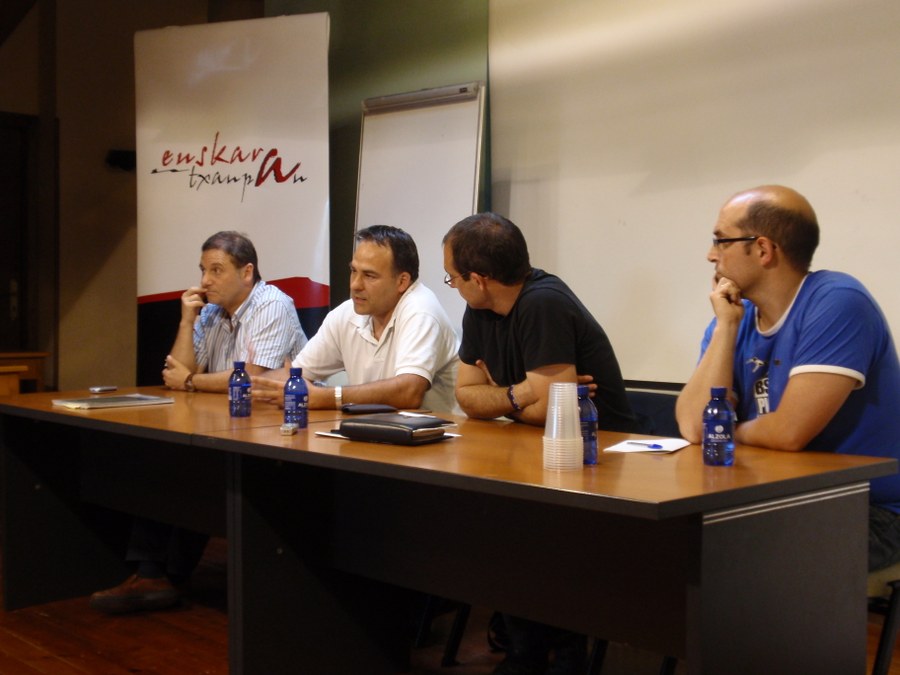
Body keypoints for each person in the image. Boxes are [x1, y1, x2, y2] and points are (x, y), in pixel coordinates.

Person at [442, 212, 636, 675]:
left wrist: (503, 396)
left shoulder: (543, 302)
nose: (453, 286)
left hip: (598, 460)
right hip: (532, 452)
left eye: (453, 278)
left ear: (479, 279)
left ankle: (559, 656)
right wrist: (521, 394)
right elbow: (466, 396)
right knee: (493, 521)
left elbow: (554, 410)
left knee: (533, 534)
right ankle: (526, 651)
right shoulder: (479, 308)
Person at [675, 185, 900, 573]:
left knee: (730, 561)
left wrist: (726, 430)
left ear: (763, 249)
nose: (711, 255)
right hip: (778, 499)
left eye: (721, 241)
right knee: (666, 542)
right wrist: (726, 328)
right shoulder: (732, 318)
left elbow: (789, 432)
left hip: (869, 509)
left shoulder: (838, 301)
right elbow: (696, 426)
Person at [90, 231, 306, 614]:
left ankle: (161, 574)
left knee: (186, 464)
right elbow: (178, 371)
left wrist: (190, 381)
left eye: (216, 270)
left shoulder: (272, 304)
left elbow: (250, 377)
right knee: (165, 452)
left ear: (247, 272)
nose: (205, 281)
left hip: (279, 433)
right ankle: (158, 574)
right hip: (229, 424)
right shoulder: (210, 311)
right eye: (203, 270)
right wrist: (186, 321)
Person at [254, 225, 459, 413]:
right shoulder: (346, 314)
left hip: (443, 434)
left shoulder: (421, 310)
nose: (355, 285)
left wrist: (326, 397)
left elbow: (409, 392)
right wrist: (248, 386)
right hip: (376, 430)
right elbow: (296, 375)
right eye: (353, 271)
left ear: (402, 281)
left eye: (369, 276)